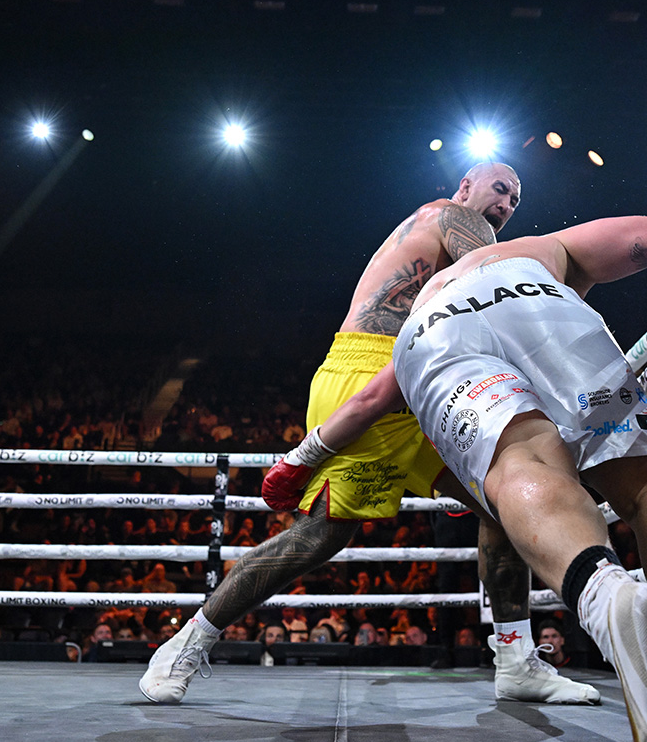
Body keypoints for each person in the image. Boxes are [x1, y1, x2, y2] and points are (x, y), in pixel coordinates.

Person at [315, 216, 647, 742]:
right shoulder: (544, 249)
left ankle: (609, 600)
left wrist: (303, 457)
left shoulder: (433, 288)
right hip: (534, 300)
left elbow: (372, 397)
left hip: (425, 340)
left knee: (518, 466)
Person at [140, 163, 597, 707]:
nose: (506, 205)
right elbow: (501, 292)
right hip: (371, 374)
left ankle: (517, 662)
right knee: (320, 538)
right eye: (500, 189)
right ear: (465, 187)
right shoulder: (456, 219)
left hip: (422, 376)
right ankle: (184, 645)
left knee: (505, 504)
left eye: (516, 201)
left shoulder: (441, 228)